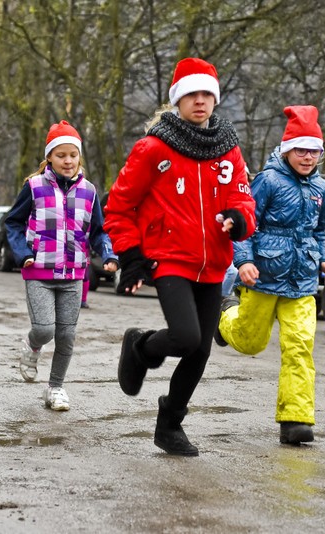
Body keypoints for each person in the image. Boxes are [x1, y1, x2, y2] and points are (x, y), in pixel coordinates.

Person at [104, 57, 256, 456]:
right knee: (187, 337)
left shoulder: (228, 149)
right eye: (192, 94)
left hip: (213, 263)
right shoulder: (153, 147)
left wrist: (239, 219)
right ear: (177, 100)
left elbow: (243, 197)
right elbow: (118, 207)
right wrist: (131, 256)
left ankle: (170, 424)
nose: (200, 101)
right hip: (169, 258)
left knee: (201, 350)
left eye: (207, 94)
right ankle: (141, 347)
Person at [214, 105, 325, 446]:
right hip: (264, 276)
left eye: (314, 151)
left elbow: (321, 230)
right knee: (251, 341)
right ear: (286, 150)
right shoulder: (267, 181)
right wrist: (243, 263)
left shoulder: (321, 190)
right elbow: (245, 224)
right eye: (301, 149)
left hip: (301, 282)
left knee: (299, 346)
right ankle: (225, 316)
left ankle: (295, 419)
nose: (307, 157)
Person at [5, 120, 118, 411]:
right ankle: (32, 347)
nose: (68, 161)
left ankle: (55, 388)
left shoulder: (90, 192)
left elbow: (98, 231)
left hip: (74, 274)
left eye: (73, 155)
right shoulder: (33, 186)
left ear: (79, 157)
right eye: (61, 155)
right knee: (44, 329)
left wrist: (108, 255)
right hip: (39, 270)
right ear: (50, 158)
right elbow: (13, 223)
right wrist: (22, 253)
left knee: (67, 336)